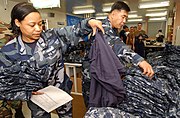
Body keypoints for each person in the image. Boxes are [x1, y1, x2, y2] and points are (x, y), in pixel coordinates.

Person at [0, 2, 104, 118]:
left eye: (40, 24)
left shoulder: (52, 37)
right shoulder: (8, 52)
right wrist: (26, 92)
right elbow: (4, 84)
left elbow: (74, 31)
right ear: (17, 22)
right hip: (37, 99)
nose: (38, 29)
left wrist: (89, 22)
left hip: (61, 92)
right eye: (32, 25)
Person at [82, 1, 154, 108]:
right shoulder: (103, 27)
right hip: (92, 74)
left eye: (126, 18)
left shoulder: (113, 29)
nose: (124, 21)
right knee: (94, 105)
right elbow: (116, 44)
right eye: (123, 17)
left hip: (101, 70)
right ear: (113, 13)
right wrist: (139, 60)